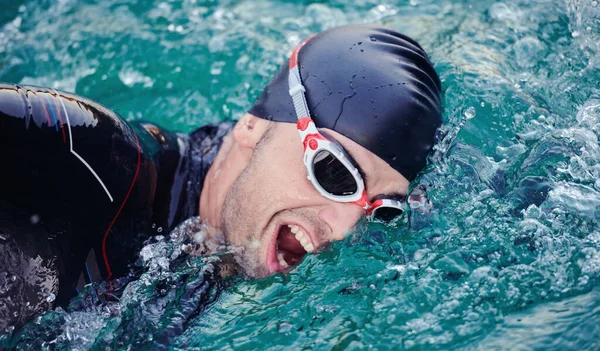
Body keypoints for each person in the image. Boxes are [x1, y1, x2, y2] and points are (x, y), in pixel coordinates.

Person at [0, 24, 442, 329]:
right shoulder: (90, 152)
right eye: (335, 172)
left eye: (379, 210)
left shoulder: (224, 279)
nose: (347, 231)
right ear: (253, 125)